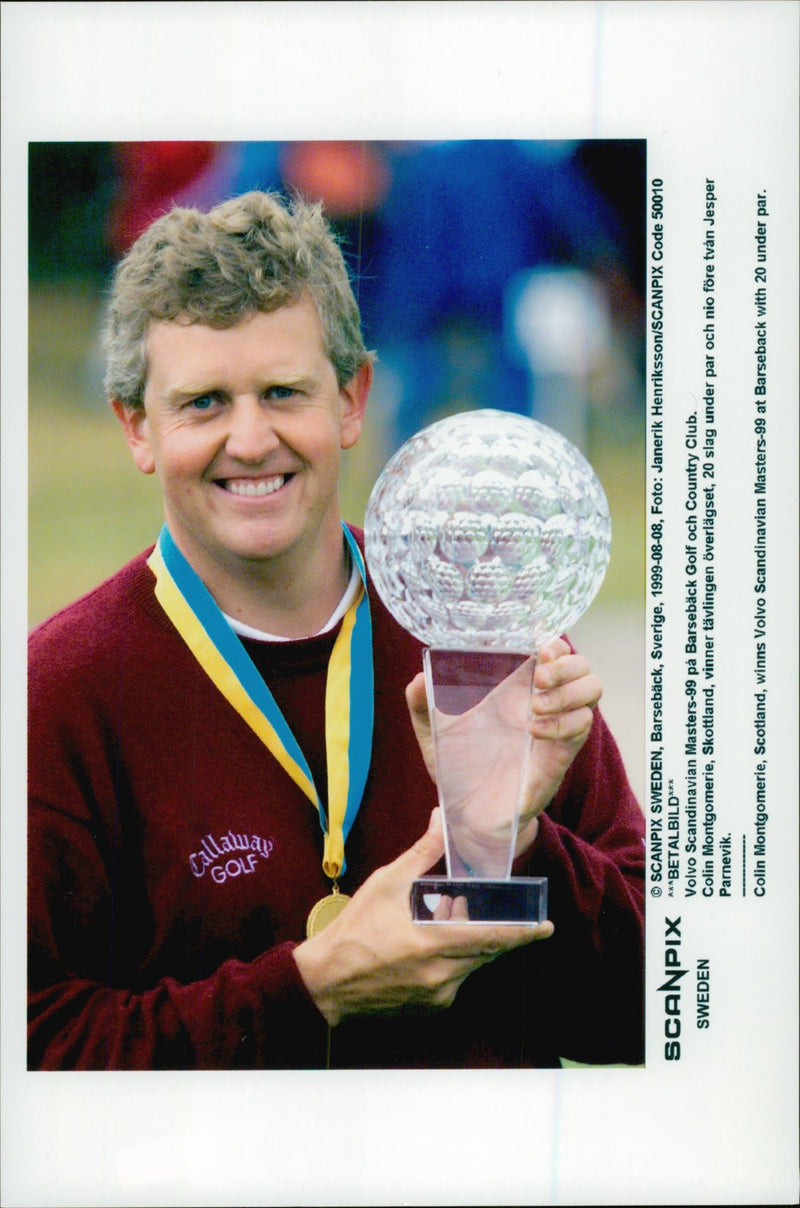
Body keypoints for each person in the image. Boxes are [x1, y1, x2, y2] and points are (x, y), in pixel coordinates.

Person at [28, 190, 645, 1070]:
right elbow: (36, 1058)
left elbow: (653, 1012)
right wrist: (310, 990)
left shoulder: (481, 636)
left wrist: (511, 841)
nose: (250, 439)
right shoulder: (58, 693)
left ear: (353, 397)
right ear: (138, 426)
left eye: (284, 391)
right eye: (203, 402)